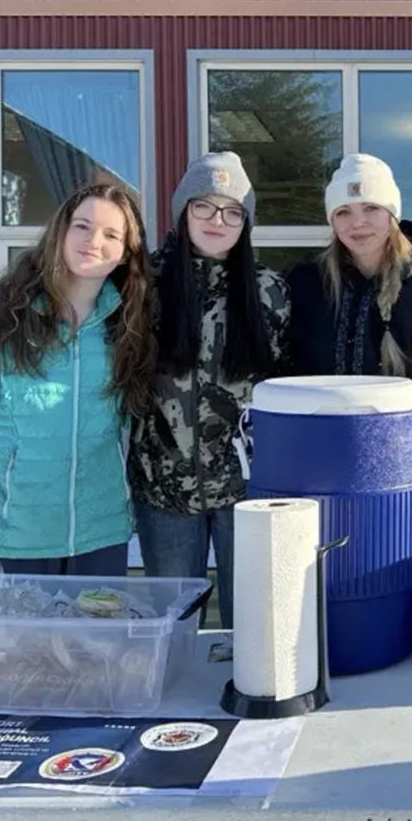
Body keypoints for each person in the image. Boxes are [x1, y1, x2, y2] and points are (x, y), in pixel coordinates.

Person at [0, 182, 158, 578]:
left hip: (100, 542)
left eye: (111, 234)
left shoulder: (128, 325)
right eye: (82, 226)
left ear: (126, 252)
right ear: (60, 231)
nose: (93, 242)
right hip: (11, 542)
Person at [128, 152, 289, 629]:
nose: (218, 221)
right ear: (183, 211)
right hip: (164, 491)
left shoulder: (269, 292)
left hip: (248, 492)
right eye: (204, 206)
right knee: (175, 627)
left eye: (233, 211)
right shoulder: (143, 286)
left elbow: (285, 388)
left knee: (252, 629)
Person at [285, 153, 412, 551]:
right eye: (344, 212)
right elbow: (286, 377)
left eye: (371, 208)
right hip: (317, 475)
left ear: (392, 214)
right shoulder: (306, 284)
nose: (357, 223)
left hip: (394, 477)